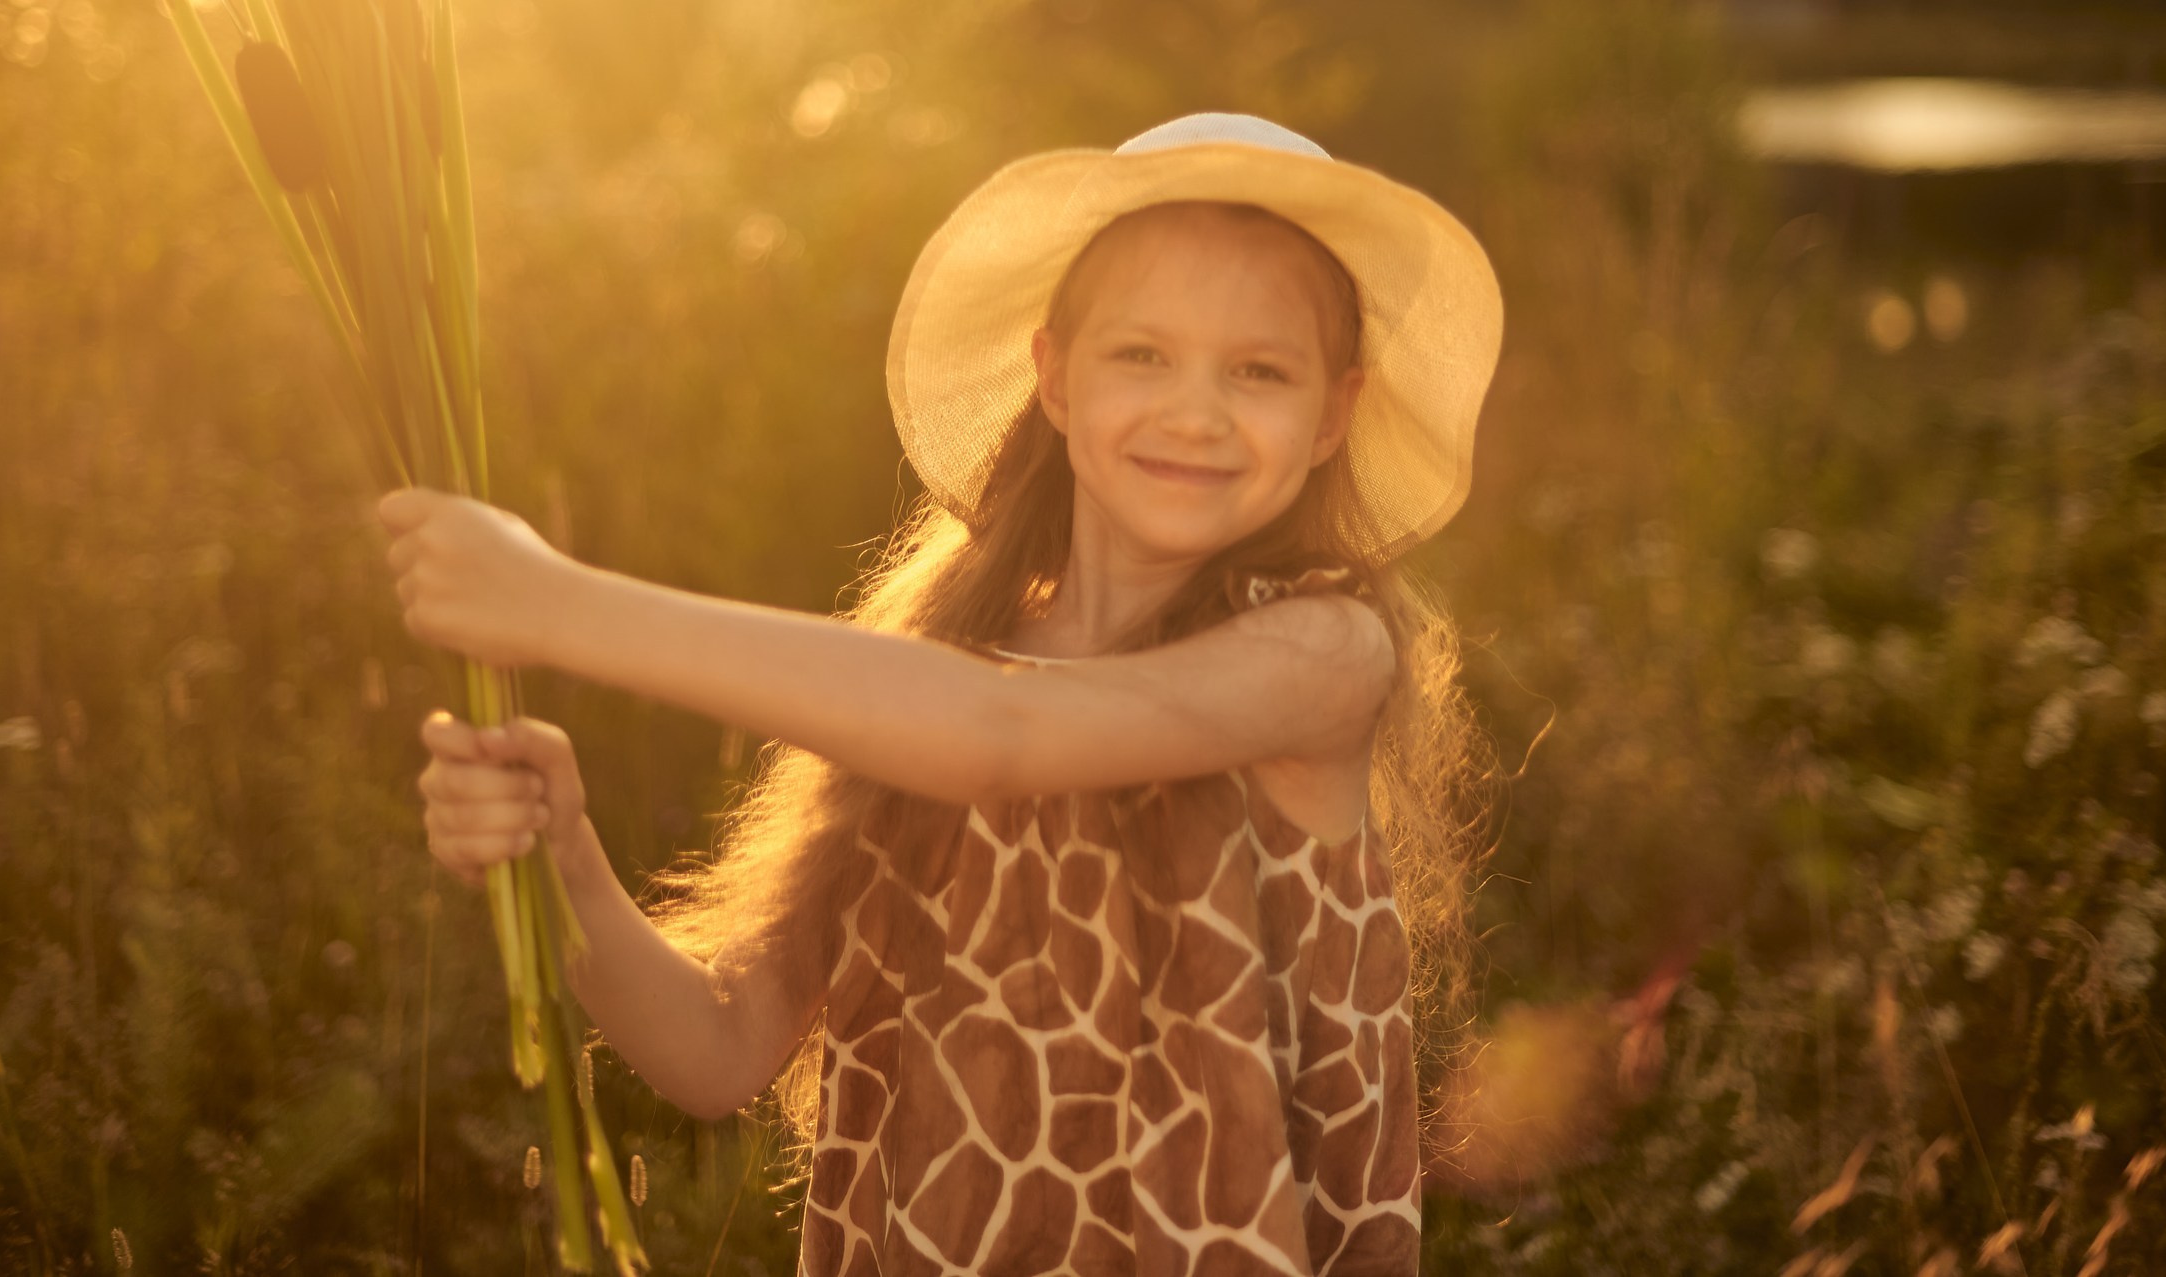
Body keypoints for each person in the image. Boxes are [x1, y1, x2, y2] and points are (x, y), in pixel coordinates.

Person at [380, 111, 1504, 1276]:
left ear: (1331, 412)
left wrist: (553, 603)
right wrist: (565, 857)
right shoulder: (923, 669)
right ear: (1054, 374)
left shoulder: (1320, 652)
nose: (1195, 410)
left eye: (1258, 370)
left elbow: (1000, 733)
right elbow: (718, 1049)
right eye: (1142, 354)